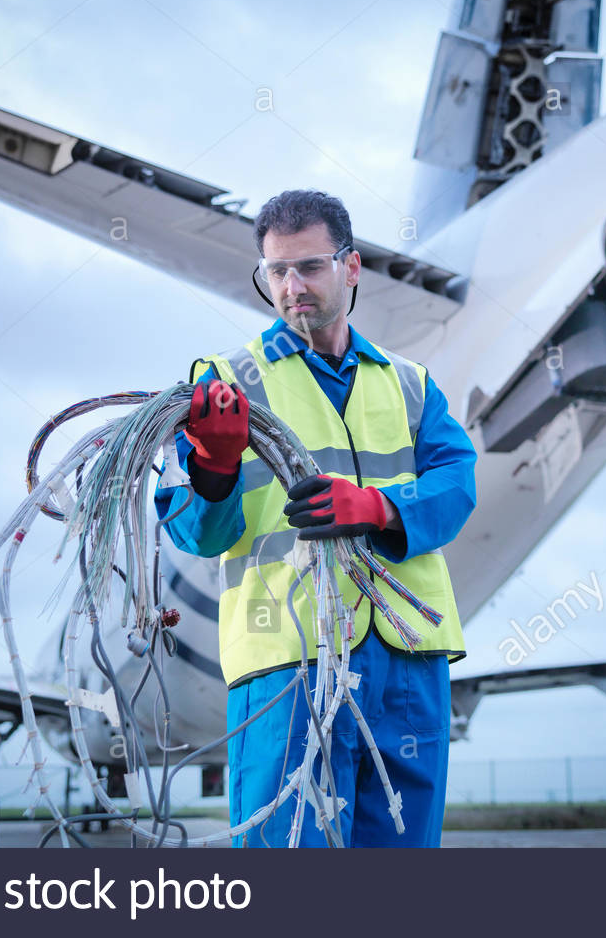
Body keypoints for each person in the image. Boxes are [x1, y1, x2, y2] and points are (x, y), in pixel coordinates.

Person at [153, 188, 476, 847]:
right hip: (287, 658)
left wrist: (380, 506)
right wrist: (214, 463)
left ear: (351, 267)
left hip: (407, 658)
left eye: (310, 267)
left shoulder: (408, 383)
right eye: (277, 271)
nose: (292, 286)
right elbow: (195, 526)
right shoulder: (224, 380)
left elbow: (457, 484)